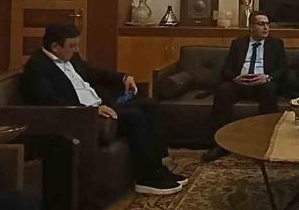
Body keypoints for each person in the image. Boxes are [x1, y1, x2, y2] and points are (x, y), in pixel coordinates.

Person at [21, 23, 186, 196]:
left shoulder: (70, 57)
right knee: (135, 117)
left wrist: (124, 77)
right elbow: (51, 101)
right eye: (72, 46)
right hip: (85, 116)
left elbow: (95, 72)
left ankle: (158, 166)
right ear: (55, 47)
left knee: (151, 105)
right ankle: (146, 178)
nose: (76, 49)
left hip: (103, 105)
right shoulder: (36, 68)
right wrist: (92, 110)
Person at [202, 11, 287, 161]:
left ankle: (266, 143)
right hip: (241, 83)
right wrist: (235, 78)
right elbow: (226, 69)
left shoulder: (276, 44)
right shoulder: (238, 43)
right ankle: (219, 144)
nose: (266, 28)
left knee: (270, 88)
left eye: (267, 24)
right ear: (251, 27)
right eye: (261, 24)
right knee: (223, 90)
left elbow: (283, 69)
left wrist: (267, 77)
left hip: (262, 84)